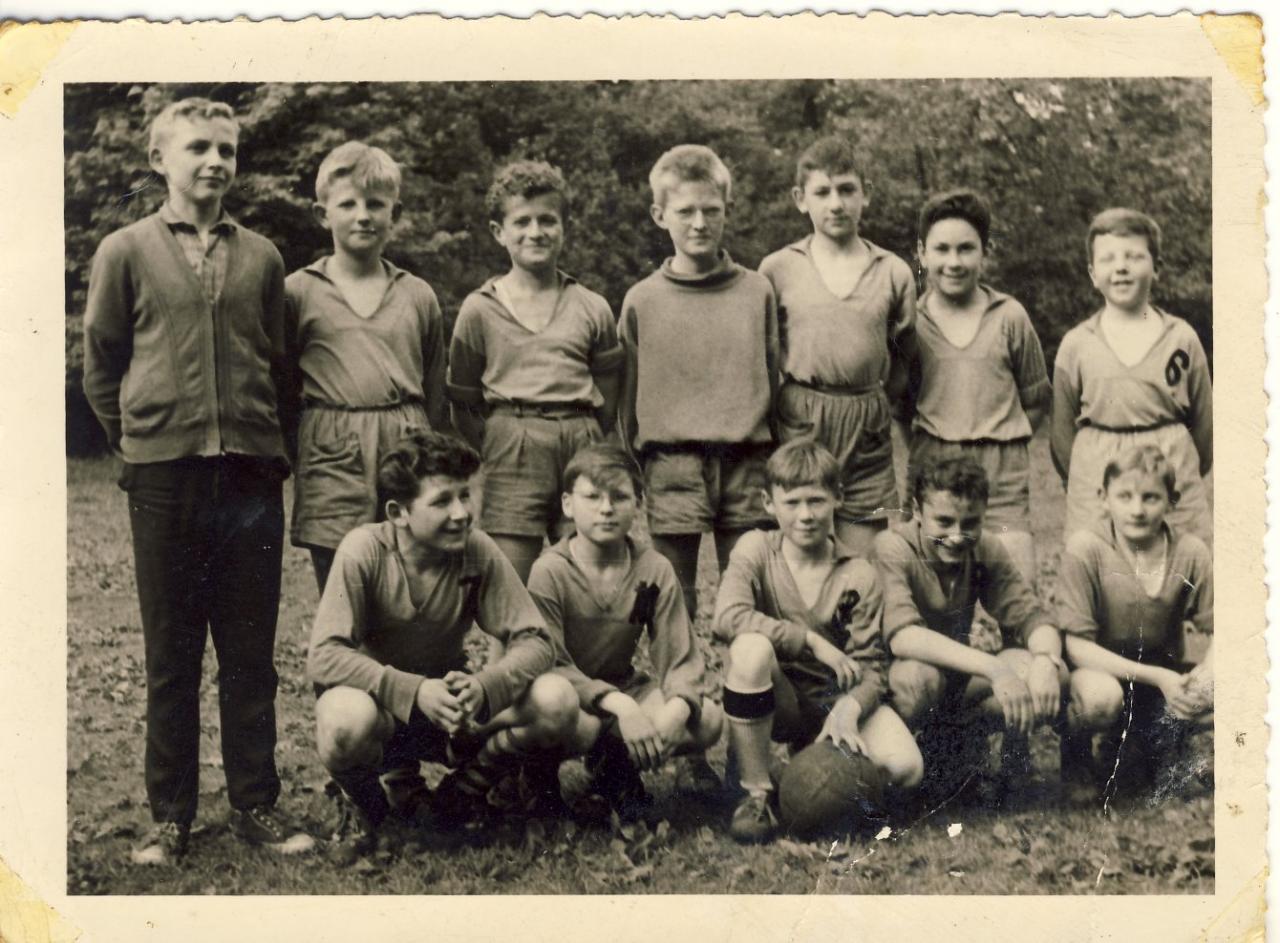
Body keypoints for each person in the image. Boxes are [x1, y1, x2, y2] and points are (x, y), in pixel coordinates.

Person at [82, 97, 313, 865]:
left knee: (249, 653)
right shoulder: (124, 251)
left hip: (250, 478)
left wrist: (268, 445)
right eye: (198, 148)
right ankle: (170, 816)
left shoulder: (263, 257)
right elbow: (102, 364)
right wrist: (139, 443)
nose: (215, 161)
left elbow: (280, 365)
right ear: (160, 160)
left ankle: (255, 804)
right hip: (164, 480)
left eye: (226, 149)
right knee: (171, 655)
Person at [307, 430, 579, 860]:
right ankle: (372, 809)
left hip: (454, 713)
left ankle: (466, 790)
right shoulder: (363, 550)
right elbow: (324, 655)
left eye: (465, 495)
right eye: (441, 501)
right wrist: (413, 691)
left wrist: (486, 687)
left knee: (556, 699)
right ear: (398, 513)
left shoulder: (476, 549)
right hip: (383, 714)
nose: (461, 513)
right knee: (343, 719)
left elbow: (537, 640)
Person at [715, 440, 923, 844]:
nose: (805, 515)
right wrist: (808, 640)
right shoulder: (756, 549)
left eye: (816, 501)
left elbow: (871, 666)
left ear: (838, 498)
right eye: (792, 502)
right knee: (750, 650)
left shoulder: (858, 572)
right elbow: (727, 616)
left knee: (906, 768)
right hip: (778, 698)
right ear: (769, 503)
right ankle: (755, 792)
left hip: (832, 698)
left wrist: (850, 707)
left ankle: (808, 778)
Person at [619, 144, 779, 621]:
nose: (699, 223)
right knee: (673, 596)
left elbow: (775, 379)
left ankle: (746, 669)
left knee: (749, 595)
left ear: (727, 209)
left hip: (747, 461)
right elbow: (627, 396)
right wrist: (634, 462)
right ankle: (679, 672)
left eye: (711, 210)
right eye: (685, 211)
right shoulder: (642, 299)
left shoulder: (757, 291)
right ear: (659, 215)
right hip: (673, 463)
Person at [527, 444, 724, 821]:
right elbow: (546, 662)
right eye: (592, 497)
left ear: (639, 504)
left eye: (619, 497)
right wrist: (621, 706)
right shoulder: (550, 571)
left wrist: (677, 709)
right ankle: (538, 776)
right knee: (555, 705)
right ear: (568, 504)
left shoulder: (653, 568)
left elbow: (680, 657)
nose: (606, 508)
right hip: (569, 695)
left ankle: (613, 768)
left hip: (622, 686)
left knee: (708, 719)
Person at [447, 160, 623, 583]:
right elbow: (463, 401)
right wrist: (501, 438)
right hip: (512, 443)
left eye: (547, 220)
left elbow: (608, 392)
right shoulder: (479, 310)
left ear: (564, 227)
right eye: (521, 222)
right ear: (499, 232)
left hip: (580, 438)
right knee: (509, 578)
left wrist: (583, 433)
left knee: (584, 572)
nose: (536, 231)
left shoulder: (592, 306)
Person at [285, 141, 447, 594]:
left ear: (395, 212)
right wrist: (306, 444)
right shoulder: (297, 292)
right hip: (331, 449)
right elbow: (281, 385)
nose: (363, 216)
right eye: (348, 205)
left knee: (410, 577)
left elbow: (435, 386)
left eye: (376, 204)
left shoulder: (417, 295)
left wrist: (424, 447)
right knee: (342, 581)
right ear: (322, 214)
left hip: (406, 443)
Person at [872, 456, 1067, 800]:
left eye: (970, 522)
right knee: (917, 678)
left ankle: (980, 754)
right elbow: (903, 637)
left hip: (957, 675)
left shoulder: (985, 546)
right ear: (917, 511)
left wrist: (1045, 659)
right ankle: (909, 772)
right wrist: (995, 669)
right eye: (944, 522)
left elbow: (1032, 616)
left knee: (1051, 671)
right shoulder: (893, 546)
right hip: (891, 680)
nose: (957, 536)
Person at [759, 136, 915, 556]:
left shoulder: (893, 271)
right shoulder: (778, 269)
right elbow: (765, 356)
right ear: (800, 199)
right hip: (802, 416)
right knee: (803, 538)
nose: (836, 204)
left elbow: (903, 355)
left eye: (847, 190)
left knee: (865, 555)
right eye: (822, 192)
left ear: (867, 193)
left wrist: (875, 402)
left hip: (866, 420)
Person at [902, 190, 1049, 584]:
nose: (954, 262)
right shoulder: (911, 321)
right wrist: (939, 439)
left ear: (985, 252)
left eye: (966, 249)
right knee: (928, 589)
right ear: (922, 253)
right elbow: (902, 407)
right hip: (933, 462)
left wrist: (997, 436)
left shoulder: (1010, 316)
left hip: (1001, 470)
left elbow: (1036, 399)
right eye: (942, 249)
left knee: (1019, 586)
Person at [1055, 444, 1213, 806]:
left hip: (1161, 669)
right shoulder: (1087, 548)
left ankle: (1165, 747)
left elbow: (1222, 629)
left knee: (1228, 688)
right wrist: (1160, 678)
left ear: (1172, 501)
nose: (1137, 509)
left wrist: (1203, 679)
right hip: (1101, 670)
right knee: (1100, 700)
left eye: (1150, 497)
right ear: (1104, 498)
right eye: (1124, 496)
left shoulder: (1190, 550)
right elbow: (1077, 647)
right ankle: (1077, 757)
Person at [1051, 207, 1212, 546]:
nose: (1121, 267)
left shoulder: (1181, 338)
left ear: (1157, 268)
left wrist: (1175, 468)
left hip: (1171, 476)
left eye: (1134, 256)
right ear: (1093, 274)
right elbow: (1062, 434)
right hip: (1098, 479)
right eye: (1108, 258)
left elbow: (1203, 427)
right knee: (1097, 560)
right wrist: (1086, 475)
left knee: (1182, 561)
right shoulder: (1077, 344)